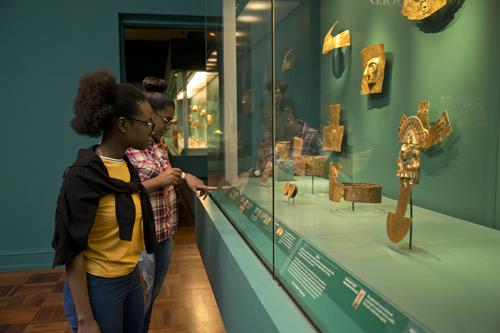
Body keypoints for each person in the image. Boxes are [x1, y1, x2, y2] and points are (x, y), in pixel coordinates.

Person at [52, 69, 158, 333]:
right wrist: (86, 318)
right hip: (100, 285)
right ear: (123, 125)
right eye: (146, 123)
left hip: (130, 278)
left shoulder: (126, 167)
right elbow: (71, 249)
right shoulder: (83, 176)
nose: (152, 130)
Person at [126, 76, 215, 332]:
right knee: (138, 301)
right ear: (148, 115)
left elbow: (165, 171)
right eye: (166, 121)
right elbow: (122, 192)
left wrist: (185, 176)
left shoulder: (158, 145)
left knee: (151, 297)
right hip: (142, 238)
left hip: (164, 233)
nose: (168, 126)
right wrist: (161, 180)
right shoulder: (128, 148)